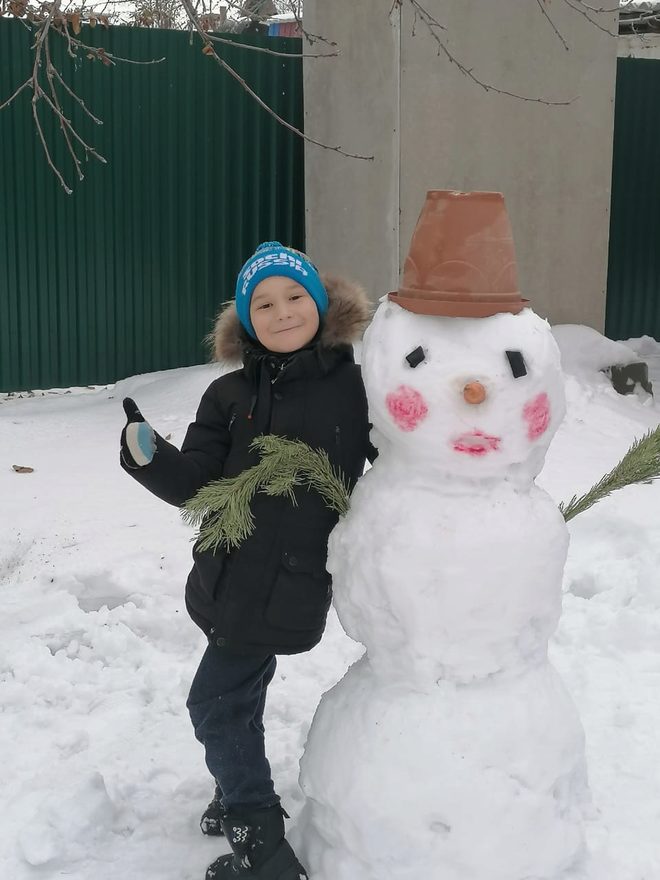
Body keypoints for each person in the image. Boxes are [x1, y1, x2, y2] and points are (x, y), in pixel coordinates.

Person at [119, 242, 373, 880]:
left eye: (294, 297)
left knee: (215, 702)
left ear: (320, 305)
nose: (280, 312)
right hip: (223, 576)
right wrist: (152, 458)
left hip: (289, 582)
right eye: (262, 303)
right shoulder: (228, 393)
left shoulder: (357, 386)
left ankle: (260, 843)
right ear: (244, 318)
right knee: (240, 690)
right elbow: (201, 481)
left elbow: (395, 465)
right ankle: (234, 780)